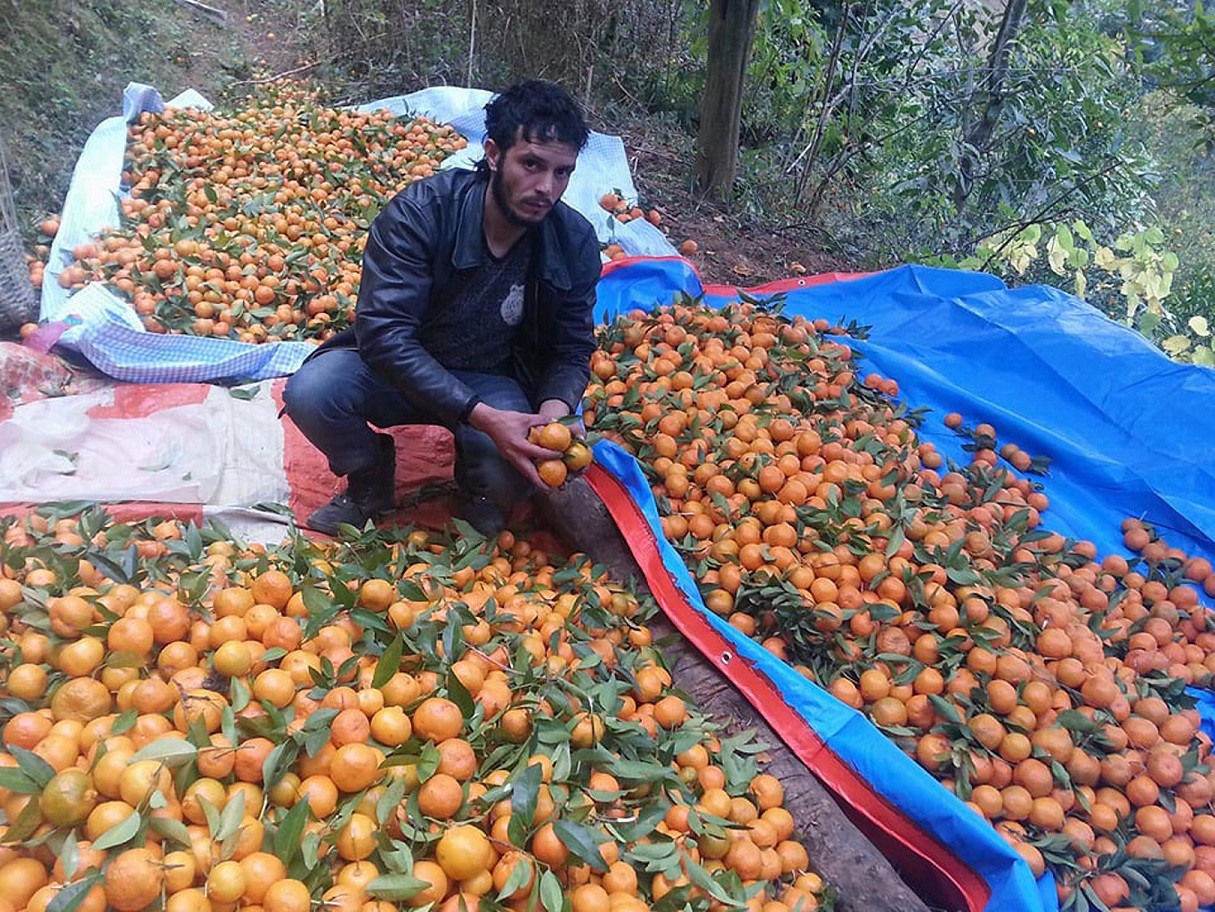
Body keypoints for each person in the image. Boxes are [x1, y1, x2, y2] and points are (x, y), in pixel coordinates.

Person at [283, 80, 600, 536]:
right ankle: (370, 475)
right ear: (493, 154)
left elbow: (571, 348)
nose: (546, 188)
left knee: (510, 480)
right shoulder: (422, 213)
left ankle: (479, 485)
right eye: (531, 164)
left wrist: (554, 412)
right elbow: (384, 335)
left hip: (493, 378)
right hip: (398, 373)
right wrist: (484, 418)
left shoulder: (574, 241)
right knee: (313, 392)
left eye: (561, 172)